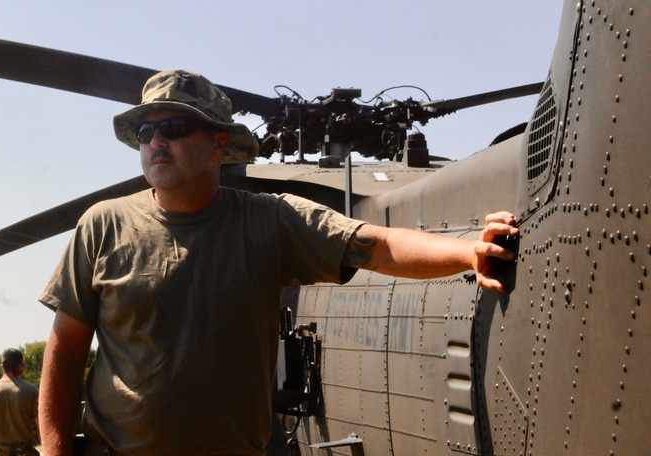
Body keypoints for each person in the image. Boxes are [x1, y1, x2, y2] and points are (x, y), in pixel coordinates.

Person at [37, 69, 520, 456]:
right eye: (146, 131)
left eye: (176, 128)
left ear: (219, 144)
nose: (156, 141)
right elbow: (64, 353)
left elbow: (378, 245)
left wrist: (465, 252)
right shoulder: (102, 225)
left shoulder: (270, 219)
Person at [0, 348, 41, 456]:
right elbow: (40, 425)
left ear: (2, 367)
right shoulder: (31, 391)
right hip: (24, 450)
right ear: (20, 367)